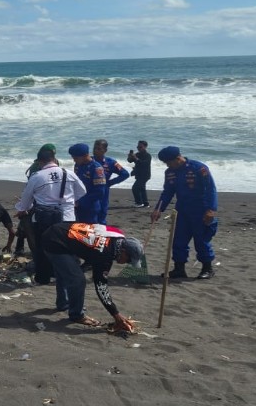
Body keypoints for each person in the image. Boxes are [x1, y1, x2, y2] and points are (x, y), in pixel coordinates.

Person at [41, 221, 143, 330]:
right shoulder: (105, 253)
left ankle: (63, 304)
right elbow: (101, 287)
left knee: (66, 272)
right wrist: (116, 314)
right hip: (55, 241)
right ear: (123, 251)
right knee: (77, 280)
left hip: (60, 230)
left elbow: (93, 239)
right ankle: (77, 315)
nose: (126, 263)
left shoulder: (118, 235)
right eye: (128, 260)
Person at [15, 146, 86, 285]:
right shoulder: (68, 173)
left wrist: (22, 209)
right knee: (66, 247)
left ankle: (43, 278)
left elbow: (25, 201)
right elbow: (82, 192)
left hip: (44, 218)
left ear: (40, 162)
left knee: (43, 248)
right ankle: (65, 273)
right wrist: (68, 201)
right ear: (54, 159)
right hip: (67, 217)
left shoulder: (37, 177)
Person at [149, 146, 218, 280]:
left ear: (178, 158)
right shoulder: (170, 172)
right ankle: (179, 269)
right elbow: (167, 192)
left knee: (201, 240)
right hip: (182, 211)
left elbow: (211, 189)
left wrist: (211, 210)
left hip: (201, 210)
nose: (168, 165)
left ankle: (207, 268)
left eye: (169, 162)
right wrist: (158, 209)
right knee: (178, 241)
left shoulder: (199, 168)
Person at [14, 143, 57, 257]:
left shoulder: (54, 162)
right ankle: (20, 246)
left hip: (46, 197)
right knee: (24, 220)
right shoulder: (36, 166)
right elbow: (32, 184)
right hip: (35, 195)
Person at [69, 143, 108, 224]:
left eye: (76, 158)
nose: (74, 160)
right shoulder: (78, 165)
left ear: (85, 155)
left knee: (89, 231)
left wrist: (81, 202)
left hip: (90, 206)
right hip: (78, 204)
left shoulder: (96, 168)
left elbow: (99, 192)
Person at [93, 138, 130, 218]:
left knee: (101, 215)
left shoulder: (110, 162)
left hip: (103, 192)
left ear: (105, 150)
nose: (96, 151)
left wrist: (109, 183)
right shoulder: (88, 161)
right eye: (94, 148)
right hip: (88, 192)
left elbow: (125, 174)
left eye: (99, 149)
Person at [127, 140, 152, 208]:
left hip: (145, 175)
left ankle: (139, 202)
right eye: (138, 147)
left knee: (135, 188)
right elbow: (129, 161)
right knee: (141, 189)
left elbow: (144, 164)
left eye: (140, 147)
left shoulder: (148, 155)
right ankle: (145, 203)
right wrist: (130, 156)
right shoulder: (137, 154)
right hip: (138, 174)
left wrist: (136, 158)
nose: (138, 148)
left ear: (145, 147)